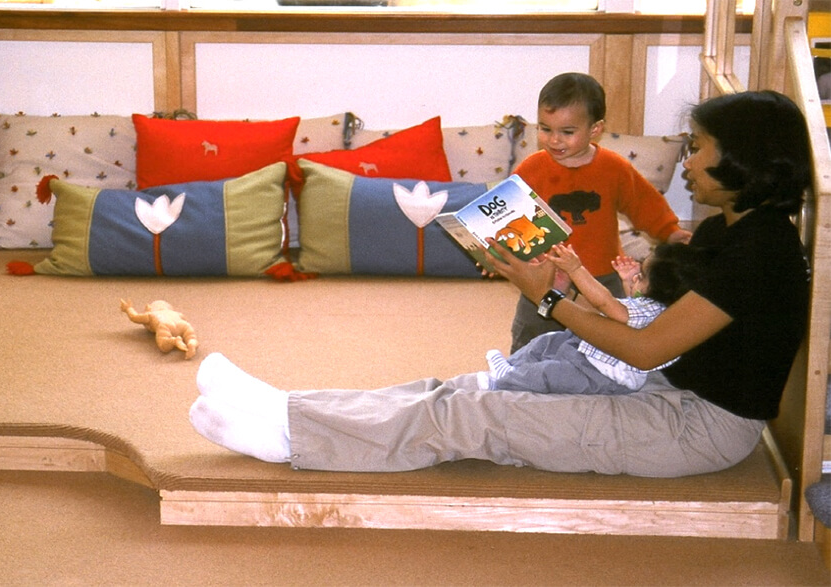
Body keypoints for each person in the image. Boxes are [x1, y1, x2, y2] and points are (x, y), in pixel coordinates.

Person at [189, 90, 811, 478]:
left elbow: (646, 349)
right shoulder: (728, 230)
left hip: (692, 427)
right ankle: (290, 409)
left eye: (698, 148)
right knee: (468, 388)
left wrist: (548, 296)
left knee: (479, 416)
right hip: (663, 390)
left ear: (746, 159)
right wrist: (564, 281)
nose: (687, 161)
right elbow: (649, 328)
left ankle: (289, 436)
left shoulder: (764, 253)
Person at [509, 72, 692, 353]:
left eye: (567, 132)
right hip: (545, 274)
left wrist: (670, 231)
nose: (554, 140)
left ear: (595, 129)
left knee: (606, 339)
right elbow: (508, 215)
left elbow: (644, 204)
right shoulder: (532, 168)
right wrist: (498, 250)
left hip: (602, 274)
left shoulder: (614, 168)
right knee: (532, 337)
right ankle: (519, 377)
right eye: (545, 129)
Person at [485, 242, 710, 395]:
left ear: (658, 289)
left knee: (548, 374)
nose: (635, 279)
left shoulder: (653, 311)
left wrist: (577, 269)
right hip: (594, 358)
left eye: (640, 276)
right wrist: (629, 283)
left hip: (600, 376)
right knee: (549, 341)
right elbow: (629, 308)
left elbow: (605, 304)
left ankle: (507, 380)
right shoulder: (657, 307)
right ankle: (510, 365)